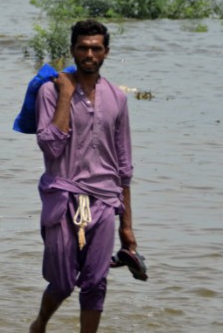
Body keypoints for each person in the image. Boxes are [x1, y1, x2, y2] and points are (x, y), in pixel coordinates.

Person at [30, 20, 139, 333]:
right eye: (83, 47)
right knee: (62, 282)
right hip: (62, 196)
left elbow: (124, 165)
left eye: (96, 48)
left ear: (106, 52)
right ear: (72, 50)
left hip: (105, 199)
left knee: (95, 282)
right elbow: (50, 146)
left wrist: (127, 227)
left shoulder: (117, 98)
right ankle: (39, 325)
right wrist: (66, 95)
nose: (89, 54)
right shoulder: (51, 92)